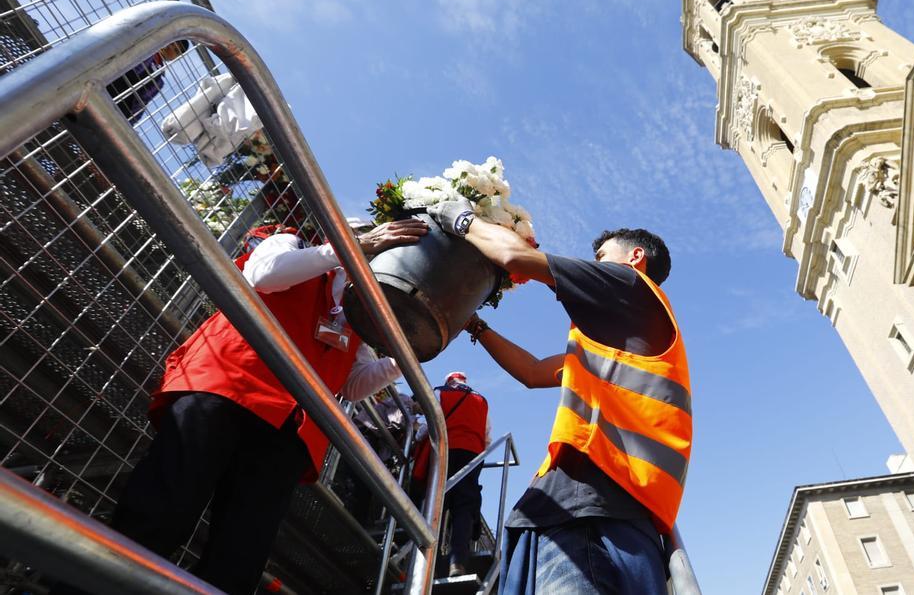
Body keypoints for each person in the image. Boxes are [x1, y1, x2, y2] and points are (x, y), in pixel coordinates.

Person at [57, 217, 428, 595]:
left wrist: (405, 354)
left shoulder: (356, 314)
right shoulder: (291, 242)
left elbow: (352, 385)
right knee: (159, 513)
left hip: (290, 429)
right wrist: (347, 250)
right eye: (369, 243)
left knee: (240, 560)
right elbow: (264, 275)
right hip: (228, 387)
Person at [428, 201, 692, 595]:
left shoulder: (631, 286)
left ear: (635, 258)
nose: (595, 264)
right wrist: (476, 325)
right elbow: (534, 372)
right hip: (601, 511)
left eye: (601, 257)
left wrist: (459, 217)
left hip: (590, 511)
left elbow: (514, 256)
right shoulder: (618, 345)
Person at [409, 371, 491, 577]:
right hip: (472, 455)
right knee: (463, 507)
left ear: (448, 381)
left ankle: (424, 559)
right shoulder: (481, 400)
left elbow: (429, 424)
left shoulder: (439, 393)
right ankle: (457, 562)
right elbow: (487, 436)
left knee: (436, 502)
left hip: (445, 451)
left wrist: (417, 437)